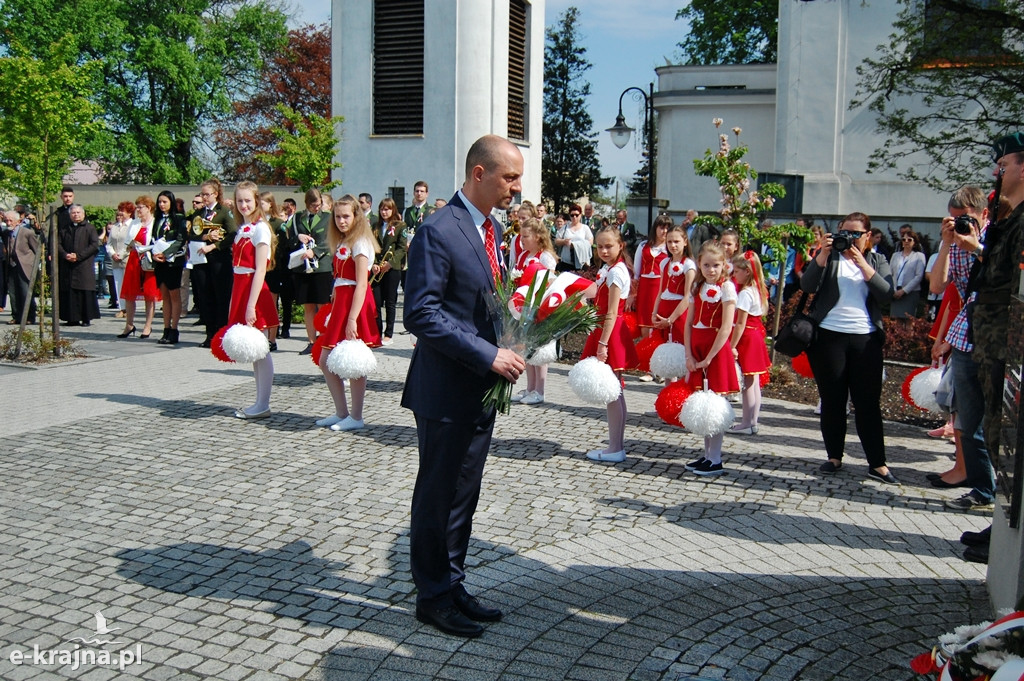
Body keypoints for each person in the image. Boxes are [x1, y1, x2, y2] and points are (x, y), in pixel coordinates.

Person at [402, 134, 526, 638]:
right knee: (438, 494)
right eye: (509, 177)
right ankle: (431, 596)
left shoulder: (490, 228)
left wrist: (516, 328)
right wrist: (487, 353)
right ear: (479, 174)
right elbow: (421, 314)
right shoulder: (439, 229)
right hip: (445, 388)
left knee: (464, 494)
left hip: (479, 387)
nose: (516, 188)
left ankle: (452, 583)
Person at [801, 212, 896, 483]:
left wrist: (863, 264)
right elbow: (807, 285)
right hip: (829, 337)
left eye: (856, 234)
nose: (850, 239)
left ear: (868, 236)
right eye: (845, 232)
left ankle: (877, 463)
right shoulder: (829, 258)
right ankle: (834, 456)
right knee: (832, 400)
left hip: (865, 339)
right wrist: (821, 256)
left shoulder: (877, 259)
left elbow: (886, 293)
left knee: (867, 403)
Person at [928, 185, 993, 510]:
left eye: (964, 218)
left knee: (985, 418)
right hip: (965, 333)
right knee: (965, 418)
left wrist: (977, 245)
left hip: (992, 335)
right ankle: (981, 487)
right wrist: (947, 243)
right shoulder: (956, 243)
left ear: (984, 214)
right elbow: (938, 286)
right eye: (953, 219)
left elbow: (1001, 274)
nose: (959, 224)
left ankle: (988, 487)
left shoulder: (999, 238)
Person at [314, 195, 382, 431]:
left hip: (354, 304)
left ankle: (356, 415)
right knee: (326, 360)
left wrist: (352, 317)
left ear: (356, 216)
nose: (341, 221)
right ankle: (341, 412)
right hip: (341, 302)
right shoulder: (343, 241)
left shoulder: (360, 242)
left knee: (353, 362)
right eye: (337, 216)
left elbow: (362, 283)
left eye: (346, 216)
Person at [580, 225, 639, 463]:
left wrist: (603, 344)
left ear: (620, 246)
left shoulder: (616, 272)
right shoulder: (609, 269)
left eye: (609, 246)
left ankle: (615, 447)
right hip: (607, 328)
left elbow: (612, 312)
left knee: (613, 392)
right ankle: (616, 445)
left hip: (611, 332)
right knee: (615, 392)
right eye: (600, 246)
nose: (603, 250)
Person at [223, 181, 279, 419]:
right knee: (255, 352)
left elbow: (260, 269)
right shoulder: (242, 227)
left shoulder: (260, 229)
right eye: (239, 200)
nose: (244, 205)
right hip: (240, 288)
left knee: (260, 349)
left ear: (257, 201)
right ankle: (259, 401)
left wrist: (249, 305)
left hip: (253, 291)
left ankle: (263, 403)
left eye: (248, 200)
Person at [683, 242, 739, 476]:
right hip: (697, 348)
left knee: (715, 404)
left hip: (715, 351)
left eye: (716, 265)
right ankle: (706, 455)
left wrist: (709, 358)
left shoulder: (727, 289)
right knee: (703, 402)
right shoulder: (698, 288)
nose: (711, 270)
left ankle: (715, 458)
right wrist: (688, 353)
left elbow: (726, 327)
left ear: (724, 265)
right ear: (699, 264)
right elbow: (688, 323)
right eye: (706, 265)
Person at [510, 218, 558, 405]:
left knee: (539, 350)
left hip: (539, 307)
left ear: (538, 237)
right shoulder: (524, 255)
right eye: (521, 236)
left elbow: (550, 282)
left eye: (526, 236)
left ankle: (540, 390)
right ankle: (530, 388)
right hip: (524, 307)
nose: (522, 240)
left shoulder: (545, 256)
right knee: (527, 348)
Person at [190, 178, 237, 348]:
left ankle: (221, 334)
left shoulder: (223, 211)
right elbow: (192, 233)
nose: (204, 198)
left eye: (207, 194)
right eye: (202, 194)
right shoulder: (199, 213)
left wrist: (214, 245)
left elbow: (232, 233)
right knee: (205, 296)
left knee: (221, 297)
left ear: (215, 194)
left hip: (219, 259)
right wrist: (205, 237)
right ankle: (209, 334)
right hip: (201, 260)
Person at [729, 251, 771, 435]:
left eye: (737, 270)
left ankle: (746, 422)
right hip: (756, 337)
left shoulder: (746, 293)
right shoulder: (759, 289)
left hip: (747, 338)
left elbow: (740, 323)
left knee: (748, 383)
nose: (734, 274)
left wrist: (732, 345)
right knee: (753, 382)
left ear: (747, 271)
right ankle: (753, 421)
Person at [289, 188, 334, 354]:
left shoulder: (328, 217)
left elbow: (331, 240)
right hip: (303, 267)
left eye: (319, 204)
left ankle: (324, 338)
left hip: (321, 266)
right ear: (307, 204)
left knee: (323, 305)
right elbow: (289, 237)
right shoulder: (297, 217)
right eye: (314, 205)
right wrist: (298, 238)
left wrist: (315, 251)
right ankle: (311, 341)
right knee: (308, 306)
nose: (317, 208)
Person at [119, 196, 159, 339]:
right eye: (137, 207)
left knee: (149, 294)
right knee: (130, 294)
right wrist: (132, 245)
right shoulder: (135, 223)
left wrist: (145, 248)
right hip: (134, 261)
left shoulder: (155, 223)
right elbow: (128, 244)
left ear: (148, 208)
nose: (138, 210)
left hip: (148, 260)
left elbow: (158, 242)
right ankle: (129, 324)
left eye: (140, 207)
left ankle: (148, 325)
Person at [151, 191, 188, 345]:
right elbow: (154, 238)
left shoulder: (178, 218)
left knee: (174, 295)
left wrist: (166, 253)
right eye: (160, 202)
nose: (162, 204)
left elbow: (181, 239)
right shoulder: (158, 219)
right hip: (160, 261)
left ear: (171, 202)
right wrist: (154, 254)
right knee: (164, 295)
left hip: (173, 261)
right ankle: (165, 329)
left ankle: (174, 329)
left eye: (165, 202)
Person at [371, 197, 407, 345]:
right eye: (382, 209)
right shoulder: (375, 226)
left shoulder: (400, 226)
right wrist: (373, 263)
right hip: (377, 269)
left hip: (392, 269)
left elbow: (402, 247)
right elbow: (370, 245)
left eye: (387, 209)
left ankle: (388, 333)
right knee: (376, 302)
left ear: (393, 210)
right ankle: (376, 333)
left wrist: (391, 263)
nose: (384, 212)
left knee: (390, 302)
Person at [57, 204, 100, 327]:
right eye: (73, 213)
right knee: (70, 292)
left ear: (83, 214)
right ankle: (72, 318)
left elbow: (94, 245)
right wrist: (65, 255)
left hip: (84, 264)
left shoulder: (89, 228)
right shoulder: (65, 229)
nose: (75, 215)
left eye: (78, 212)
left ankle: (86, 318)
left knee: (84, 291)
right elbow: (58, 244)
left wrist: (78, 256)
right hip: (68, 265)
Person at [652, 223, 696, 343]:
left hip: (679, 314)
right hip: (663, 311)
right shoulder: (664, 263)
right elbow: (660, 291)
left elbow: (688, 296)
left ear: (685, 242)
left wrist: (670, 319)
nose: (673, 245)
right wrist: (654, 313)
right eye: (669, 241)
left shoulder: (688, 265)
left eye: (676, 241)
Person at [629, 214, 670, 341]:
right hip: (645, 287)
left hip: (660, 286)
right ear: (655, 228)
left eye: (667, 228)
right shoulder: (643, 246)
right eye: (661, 227)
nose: (664, 231)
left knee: (657, 321)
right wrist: (633, 294)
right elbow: (636, 272)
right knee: (644, 323)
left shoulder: (670, 248)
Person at [261, 191, 291, 349]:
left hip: (273, 268)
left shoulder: (278, 224)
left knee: (271, 303)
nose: (260, 206)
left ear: (270, 204)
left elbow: (283, 248)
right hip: (259, 268)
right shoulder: (257, 222)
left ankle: (272, 338)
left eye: (263, 203)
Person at [4, 210, 38, 325]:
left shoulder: (27, 233)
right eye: (6, 220)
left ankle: (30, 317)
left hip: (25, 265)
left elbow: (36, 249)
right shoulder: (6, 233)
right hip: (12, 265)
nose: (8, 223)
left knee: (25, 292)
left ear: (18, 221)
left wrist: (33, 264)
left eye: (11, 221)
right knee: (13, 292)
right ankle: (16, 316)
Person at [889, 230, 926, 319]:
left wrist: (904, 291)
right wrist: (893, 290)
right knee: (896, 320)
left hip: (910, 292)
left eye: (909, 240)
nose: (906, 241)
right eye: (903, 239)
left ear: (914, 242)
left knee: (909, 320)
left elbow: (919, 276)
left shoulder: (919, 256)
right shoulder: (895, 255)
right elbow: (889, 273)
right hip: (895, 292)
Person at [106, 202, 133, 317]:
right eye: (119, 210)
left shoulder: (133, 225)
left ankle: (129, 308)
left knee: (128, 284)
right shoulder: (115, 226)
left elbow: (131, 243)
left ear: (130, 212)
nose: (120, 213)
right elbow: (109, 243)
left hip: (127, 258)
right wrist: (112, 254)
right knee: (118, 284)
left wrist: (121, 254)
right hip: (115, 260)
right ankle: (122, 308)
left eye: (123, 211)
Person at [553, 204, 592, 272]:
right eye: (572, 215)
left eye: (576, 215)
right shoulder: (565, 227)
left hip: (581, 262)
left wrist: (577, 245)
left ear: (580, 215)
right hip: (566, 261)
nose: (574, 217)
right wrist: (564, 241)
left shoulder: (585, 228)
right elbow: (556, 240)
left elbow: (590, 242)